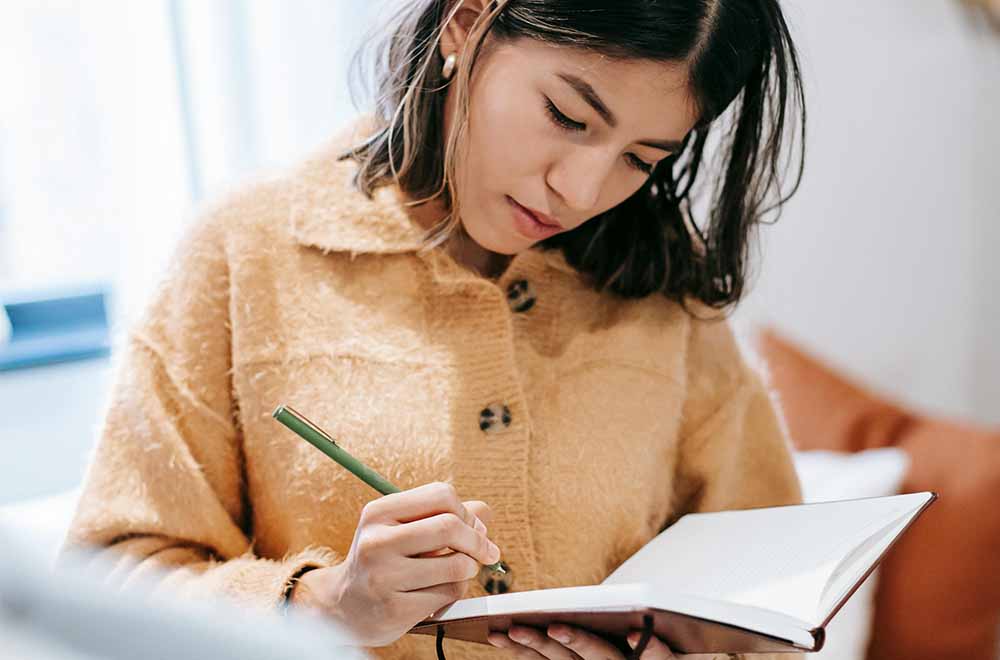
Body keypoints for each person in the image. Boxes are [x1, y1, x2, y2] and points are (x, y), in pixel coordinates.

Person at [59, 1, 807, 659]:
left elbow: (769, 616)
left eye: (642, 159)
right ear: (467, 21)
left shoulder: (666, 297)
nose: (582, 190)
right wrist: (324, 605)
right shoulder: (246, 253)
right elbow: (108, 578)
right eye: (568, 117)